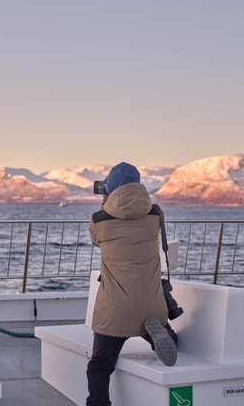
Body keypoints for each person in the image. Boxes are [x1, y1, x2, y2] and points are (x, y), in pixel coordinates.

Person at [86, 162, 177, 406]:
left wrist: (105, 204)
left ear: (110, 188)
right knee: (158, 330)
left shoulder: (99, 219)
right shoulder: (155, 214)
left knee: (99, 366)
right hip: (151, 304)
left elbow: (97, 240)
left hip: (114, 312)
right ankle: (164, 333)